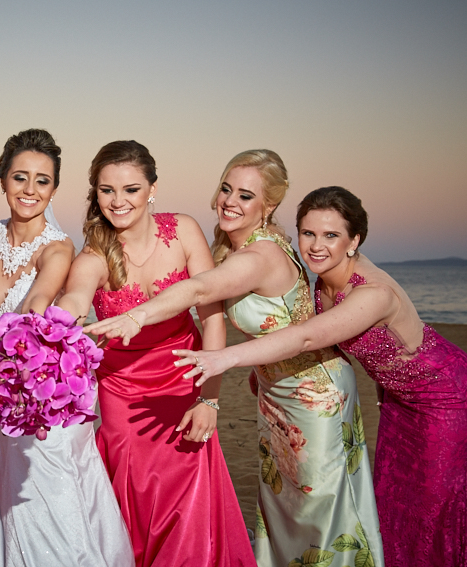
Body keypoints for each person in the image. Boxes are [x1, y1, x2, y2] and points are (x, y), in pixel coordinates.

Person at [85, 150, 386, 567]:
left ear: (269, 205)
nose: (229, 201)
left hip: (313, 395)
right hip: (275, 393)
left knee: (321, 516)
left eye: (246, 196)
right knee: (285, 513)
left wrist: (138, 315)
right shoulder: (234, 246)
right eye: (226, 189)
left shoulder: (259, 255)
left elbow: (199, 290)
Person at [167, 186, 467, 567]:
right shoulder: (325, 279)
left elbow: (305, 337)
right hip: (396, 401)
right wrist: (264, 372)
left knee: (434, 509)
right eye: (308, 233)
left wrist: (224, 358)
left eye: (331, 235)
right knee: (396, 503)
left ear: (354, 241)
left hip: (443, 400)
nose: (316, 245)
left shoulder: (373, 293)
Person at [0, 129, 134, 567]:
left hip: (50, 390)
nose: (30, 190)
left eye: (42, 180)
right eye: (20, 177)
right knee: (16, 491)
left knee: (50, 496)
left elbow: (36, 304)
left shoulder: (59, 247)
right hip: (9, 388)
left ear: (54, 189)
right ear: (2, 181)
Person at [57, 141, 253, 566]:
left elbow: (212, 318)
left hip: (186, 377)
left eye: (130, 189)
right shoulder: (93, 256)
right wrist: (54, 322)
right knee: (137, 495)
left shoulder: (183, 230)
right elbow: (74, 299)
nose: (118, 201)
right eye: (107, 190)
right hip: (122, 392)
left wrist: (210, 400)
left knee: (191, 492)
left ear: (152, 189)